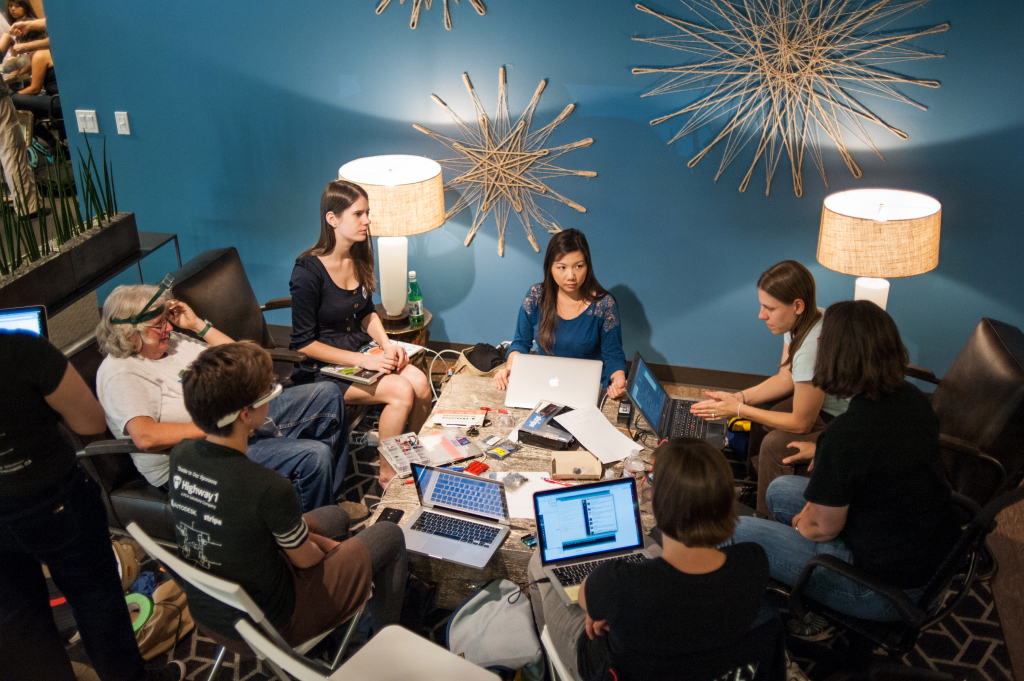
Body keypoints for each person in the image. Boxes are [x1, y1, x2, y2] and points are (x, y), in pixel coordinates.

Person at [731, 300, 959, 633]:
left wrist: (801, 524)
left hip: (882, 590)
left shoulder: (847, 434)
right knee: (779, 490)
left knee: (735, 532)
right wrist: (823, 456)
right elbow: (875, 459)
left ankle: (770, 625)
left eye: (824, 341)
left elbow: (820, 529)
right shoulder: (911, 398)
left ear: (841, 355)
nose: (818, 344)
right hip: (924, 556)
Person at [169, 341, 408, 647]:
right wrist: (333, 551)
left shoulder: (183, 454)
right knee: (388, 535)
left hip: (209, 610)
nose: (272, 396)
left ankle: (344, 602)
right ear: (246, 414)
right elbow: (307, 561)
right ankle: (386, 642)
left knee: (334, 515)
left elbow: (253, 527)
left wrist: (321, 544)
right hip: (272, 623)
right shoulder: (266, 485)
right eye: (266, 392)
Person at [0, 329, 185, 681]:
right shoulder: (22, 350)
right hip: (53, 503)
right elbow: (90, 422)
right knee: (95, 599)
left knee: (17, 619)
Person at [95, 283, 358, 515]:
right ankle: (309, 528)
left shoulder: (172, 341)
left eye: (166, 319)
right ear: (130, 333)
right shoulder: (121, 373)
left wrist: (198, 325)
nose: (167, 328)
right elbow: (146, 437)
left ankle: (330, 502)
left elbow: (241, 359)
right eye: (158, 325)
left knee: (327, 394)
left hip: (237, 419)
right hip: (201, 456)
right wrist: (222, 425)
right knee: (314, 455)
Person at [529, 439, 772, 680]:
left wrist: (605, 601)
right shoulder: (753, 560)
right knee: (643, 545)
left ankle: (545, 665)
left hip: (610, 665)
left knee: (540, 557)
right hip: (714, 667)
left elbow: (586, 596)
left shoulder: (621, 582)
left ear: (658, 503)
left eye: (652, 480)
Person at [289, 179, 432, 486]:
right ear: (332, 219)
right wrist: (363, 360)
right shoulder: (306, 272)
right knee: (400, 391)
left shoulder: (358, 255)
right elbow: (303, 343)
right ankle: (387, 475)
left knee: (420, 383)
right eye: (358, 214)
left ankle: (412, 459)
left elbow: (366, 311)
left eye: (368, 213)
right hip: (322, 368)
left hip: (359, 349)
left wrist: (386, 344)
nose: (367, 220)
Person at [691, 260, 849, 517]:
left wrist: (739, 410)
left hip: (842, 423)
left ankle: (767, 520)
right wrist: (739, 398)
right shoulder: (804, 320)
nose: (761, 315)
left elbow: (801, 424)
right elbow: (785, 378)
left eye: (769, 308)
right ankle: (757, 486)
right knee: (759, 406)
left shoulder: (812, 347)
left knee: (776, 443)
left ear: (798, 305)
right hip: (821, 406)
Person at [494, 228, 628, 400]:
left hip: (588, 391)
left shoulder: (603, 305)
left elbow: (613, 356)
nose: (571, 276)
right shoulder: (536, 296)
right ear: (550, 267)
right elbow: (520, 343)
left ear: (588, 266)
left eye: (579, 266)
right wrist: (509, 369)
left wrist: (619, 380)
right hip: (547, 385)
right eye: (562, 267)